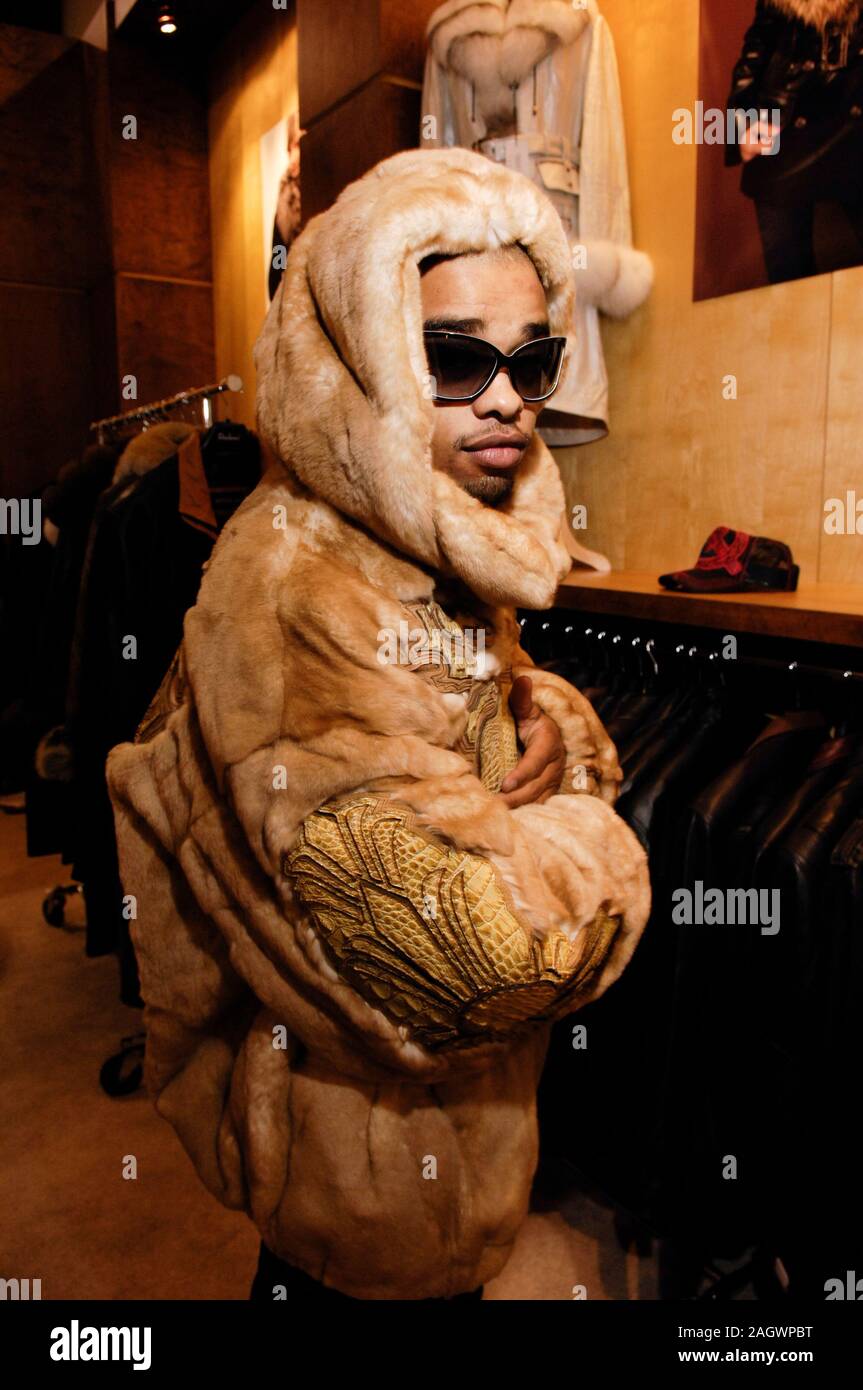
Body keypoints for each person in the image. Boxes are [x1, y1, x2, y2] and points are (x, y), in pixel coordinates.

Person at [107, 146, 650, 1302]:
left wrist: (546, 720)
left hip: (436, 1160)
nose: (505, 396)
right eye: (453, 358)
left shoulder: (424, 546)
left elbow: (492, 705)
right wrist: (598, 837)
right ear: (359, 365)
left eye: (530, 358)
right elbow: (477, 961)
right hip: (357, 1191)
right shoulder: (303, 587)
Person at [726, 0, 863, 283]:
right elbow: (755, 51)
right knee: (787, 275)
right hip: (787, 132)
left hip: (852, 129)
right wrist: (740, 128)